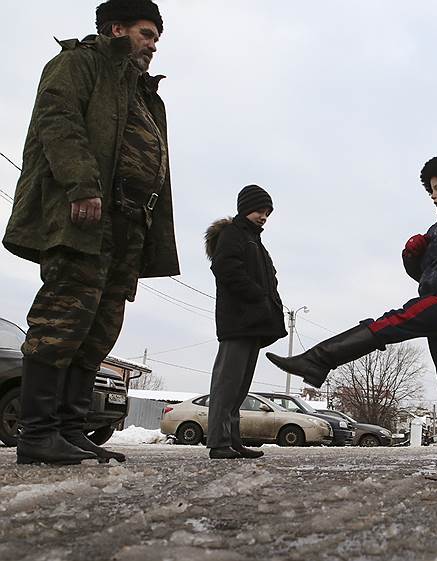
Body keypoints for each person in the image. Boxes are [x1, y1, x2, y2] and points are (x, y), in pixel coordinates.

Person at [266, 146, 437, 464]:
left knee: (391, 322)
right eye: (431, 190)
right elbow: (424, 274)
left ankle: (318, 360)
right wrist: (414, 254)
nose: (433, 195)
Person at [2, 0, 178, 465]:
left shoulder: (141, 91)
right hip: (84, 215)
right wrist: (81, 185)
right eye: (146, 33)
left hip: (128, 224)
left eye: (156, 37)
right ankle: (36, 432)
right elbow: (57, 122)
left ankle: (68, 427)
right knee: (64, 316)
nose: (153, 44)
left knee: (99, 327)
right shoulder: (80, 63)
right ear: (116, 28)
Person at [204, 185, 287, 460]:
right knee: (227, 384)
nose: (263, 217)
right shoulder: (233, 234)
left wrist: (267, 305)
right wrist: (257, 295)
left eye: (267, 213)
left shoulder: (254, 240)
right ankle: (218, 442)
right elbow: (225, 268)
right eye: (259, 210)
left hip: (253, 323)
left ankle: (233, 440)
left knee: (239, 387)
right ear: (244, 208)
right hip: (237, 322)